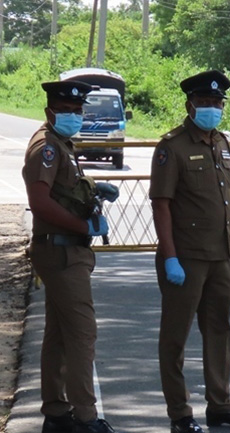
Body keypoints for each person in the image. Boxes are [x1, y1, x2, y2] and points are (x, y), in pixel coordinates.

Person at [149, 70, 230, 433]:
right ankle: (180, 414)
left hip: (221, 255)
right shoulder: (172, 147)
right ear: (190, 104)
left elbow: (226, 203)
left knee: (219, 331)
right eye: (206, 103)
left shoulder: (221, 143)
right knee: (175, 337)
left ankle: (220, 404)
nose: (213, 108)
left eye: (217, 103)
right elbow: (161, 205)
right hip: (186, 257)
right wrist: (169, 257)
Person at [23, 80, 120, 433]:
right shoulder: (46, 148)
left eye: (78, 111)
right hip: (62, 250)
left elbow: (64, 188)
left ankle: (57, 412)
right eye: (66, 111)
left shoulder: (60, 144)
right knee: (82, 333)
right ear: (50, 111)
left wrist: (94, 189)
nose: (73, 116)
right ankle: (85, 416)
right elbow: (40, 201)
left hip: (64, 249)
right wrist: (83, 226)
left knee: (60, 334)